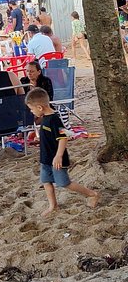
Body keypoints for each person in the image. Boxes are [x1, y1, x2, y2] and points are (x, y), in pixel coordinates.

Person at [25, 87, 99, 217]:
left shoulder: (54, 119)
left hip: (56, 159)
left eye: (32, 109)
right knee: (46, 181)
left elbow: (63, 137)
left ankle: (92, 194)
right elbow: (50, 137)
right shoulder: (45, 119)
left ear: (40, 107)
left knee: (64, 183)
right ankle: (53, 206)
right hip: (46, 158)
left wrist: (59, 156)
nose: (31, 112)